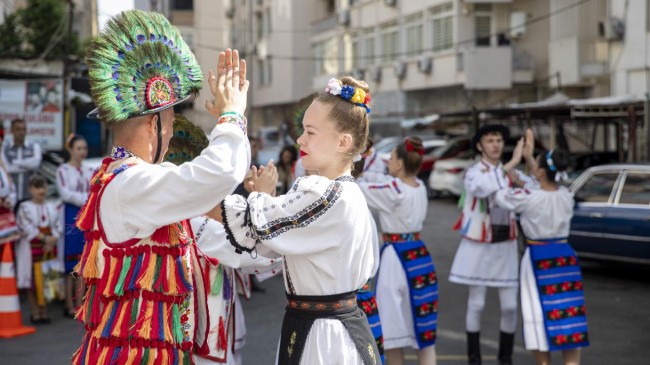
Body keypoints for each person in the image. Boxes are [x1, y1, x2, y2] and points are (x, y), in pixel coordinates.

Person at [69, 10, 250, 364]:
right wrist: (231, 115)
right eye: (170, 118)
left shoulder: (125, 178)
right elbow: (219, 173)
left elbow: (200, 181)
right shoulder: (132, 184)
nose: (172, 127)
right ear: (156, 122)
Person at [216, 76, 379, 364]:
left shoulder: (326, 194)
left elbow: (252, 225)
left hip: (323, 337)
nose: (300, 140)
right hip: (326, 327)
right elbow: (269, 241)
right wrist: (261, 201)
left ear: (343, 142)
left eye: (310, 132)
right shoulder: (347, 193)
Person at [164, 115, 283, 364]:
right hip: (202, 344)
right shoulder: (198, 226)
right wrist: (262, 199)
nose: (224, 199)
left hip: (214, 334)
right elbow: (264, 257)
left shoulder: (191, 221)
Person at [494, 131, 589, 365]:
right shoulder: (566, 195)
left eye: (535, 165)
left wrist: (515, 161)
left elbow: (500, 195)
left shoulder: (528, 196)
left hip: (538, 257)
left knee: (537, 312)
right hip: (565, 257)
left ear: (539, 172)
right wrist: (530, 161)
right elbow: (539, 182)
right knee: (569, 310)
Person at [448, 124, 535, 365]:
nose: (496, 145)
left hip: (504, 245)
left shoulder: (509, 172)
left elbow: (536, 188)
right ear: (480, 146)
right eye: (490, 140)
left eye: (498, 140)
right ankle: (474, 358)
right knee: (476, 303)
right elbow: (483, 186)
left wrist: (526, 159)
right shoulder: (474, 172)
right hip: (480, 245)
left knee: (509, 307)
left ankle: (504, 358)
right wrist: (512, 164)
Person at [357, 137, 438, 365]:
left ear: (400, 164)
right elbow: (377, 177)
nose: (388, 162)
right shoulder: (419, 186)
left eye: (391, 158)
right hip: (420, 255)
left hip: (396, 257)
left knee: (391, 334)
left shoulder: (393, 189)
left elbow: (358, 186)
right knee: (424, 328)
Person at [56, 134, 94, 318]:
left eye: (84, 148)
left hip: (85, 216)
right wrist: (86, 200)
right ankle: (69, 303)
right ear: (70, 149)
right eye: (78, 148)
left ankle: (81, 303)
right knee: (70, 261)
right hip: (71, 215)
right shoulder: (63, 170)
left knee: (83, 260)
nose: (82, 152)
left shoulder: (89, 170)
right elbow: (65, 193)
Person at [15, 174, 60, 324]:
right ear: (30, 189)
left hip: (48, 248)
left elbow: (58, 225)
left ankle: (44, 310)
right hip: (31, 248)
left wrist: (53, 237)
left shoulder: (52, 206)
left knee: (46, 278)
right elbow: (25, 225)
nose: (41, 190)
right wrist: (44, 238)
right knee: (32, 280)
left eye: (44, 186)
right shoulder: (24, 207)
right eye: (37, 186)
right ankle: (35, 311)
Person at [1, 118, 42, 202]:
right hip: (10, 197)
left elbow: (36, 164)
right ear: (12, 130)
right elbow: (6, 168)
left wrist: (15, 162)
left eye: (24, 129)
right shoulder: (5, 147)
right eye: (18, 129)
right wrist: (28, 166)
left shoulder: (34, 146)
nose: (21, 132)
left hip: (30, 196)